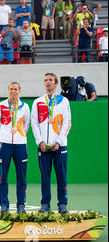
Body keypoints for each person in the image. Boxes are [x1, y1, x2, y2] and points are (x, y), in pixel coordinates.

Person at [31, 73, 72, 214]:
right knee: (45, 177)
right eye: (46, 80)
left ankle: (62, 204)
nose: (48, 82)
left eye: (51, 80)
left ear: (55, 84)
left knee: (61, 176)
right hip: (43, 146)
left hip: (60, 146)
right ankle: (45, 204)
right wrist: (40, 141)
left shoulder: (64, 101)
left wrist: (59, 142)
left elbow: (67, 123)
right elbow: (34, 124)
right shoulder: (37, 102)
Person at [0, 82, 31, 214]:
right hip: (5, 144)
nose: (13, 91)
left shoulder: (25, 107)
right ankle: (4, 205)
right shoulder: (1, 106)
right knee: (3, 176)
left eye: (15, 89)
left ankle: (21, 205)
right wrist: (5, 135)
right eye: (11, 89)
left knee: (21, 177)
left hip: (21, 144)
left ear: (19, 91)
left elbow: (27, 123)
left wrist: (19, 134)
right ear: (8, 90)